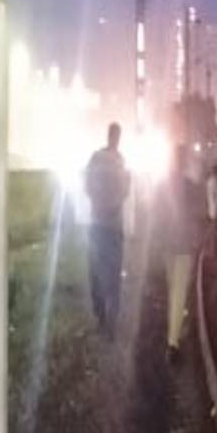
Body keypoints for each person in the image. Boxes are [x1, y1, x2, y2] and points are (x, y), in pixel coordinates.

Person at [82, 123, 129, 333]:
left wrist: (97, 202)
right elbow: (125, 191)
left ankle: (101, 314)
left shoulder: (95, 158)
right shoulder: (120, 161)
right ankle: (111, 320)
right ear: (117, 137)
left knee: (96, 271)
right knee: (114, 273)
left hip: (97, 224)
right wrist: (113, 204)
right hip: (114, 226)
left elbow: (86, 185)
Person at [160, 147, 203, 352]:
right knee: (179, 292)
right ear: (184, 163)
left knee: (173, 289)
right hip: (184, 245)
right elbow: (198, 216)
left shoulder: (163, 185)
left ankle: (173, 330)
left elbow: (155, 213)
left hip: (168, 244)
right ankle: (173, 342)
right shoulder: (191, 187)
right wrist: (196, 239)